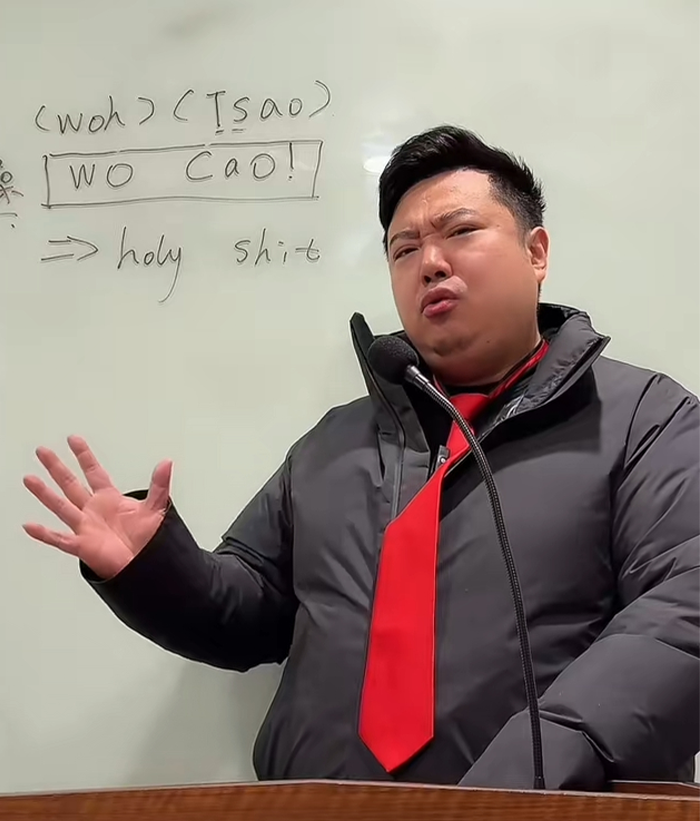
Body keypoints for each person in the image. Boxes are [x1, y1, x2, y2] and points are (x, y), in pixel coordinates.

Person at [23, 126, 699, 791]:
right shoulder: (332, 444)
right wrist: (152, 570)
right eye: (404, 249)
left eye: (461, 232)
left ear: (537, 251)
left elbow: (682, 616)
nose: (430, 262)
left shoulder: (646, 419)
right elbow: (246, 616)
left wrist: (535, 769)